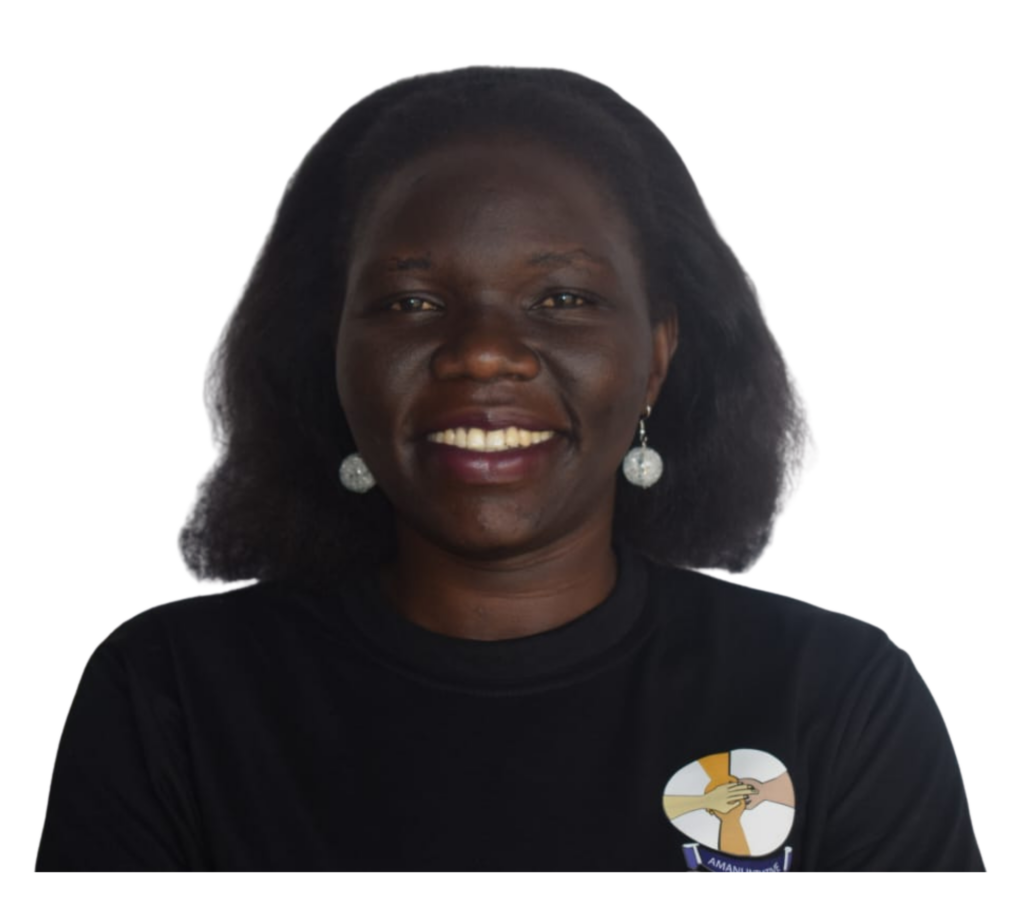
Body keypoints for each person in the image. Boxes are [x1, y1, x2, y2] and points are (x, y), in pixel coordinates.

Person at [35, 66, 984, 871]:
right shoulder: (172, 696)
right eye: (412, 303)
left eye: (562, 298)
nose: (483, 353)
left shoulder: (835, 697)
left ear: (656, 357)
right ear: (334, 353)